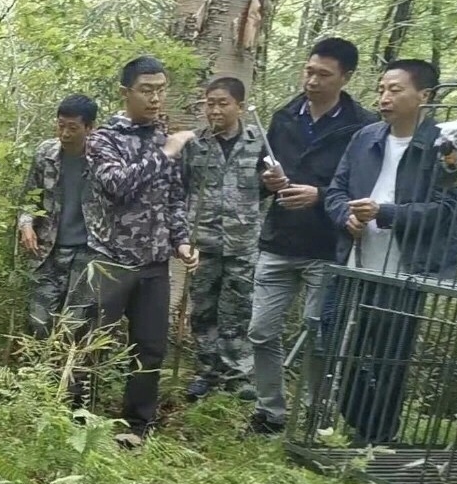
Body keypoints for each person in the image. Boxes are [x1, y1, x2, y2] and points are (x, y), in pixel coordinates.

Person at [321, 59, 457, 445]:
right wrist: (345, 217)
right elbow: (336, 191)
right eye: (382, 89)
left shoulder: (449, 146)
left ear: (425, 96)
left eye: (395, 90)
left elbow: (450, 211)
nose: (384, 97)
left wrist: (386, 213)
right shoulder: (365, 137)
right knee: (331, 339)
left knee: (388, 357)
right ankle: (362, 422)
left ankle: (377, 437)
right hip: (353, 262)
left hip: (404, 269)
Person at [245, 38, 379, 436]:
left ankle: (312, 417)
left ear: (346, 77)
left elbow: (365, 187)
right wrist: (268, 180)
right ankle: (270, 412)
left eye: (323, 74)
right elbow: (261, 173)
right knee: (260, 331)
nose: (312, 80)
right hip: (279, 240)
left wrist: (319, 196)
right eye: (309, 71)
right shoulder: (285, 115)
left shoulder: (364, 126)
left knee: (320, 335)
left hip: (330, 245)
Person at [70, 55, 198, 445]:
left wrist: (182, 240)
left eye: (161, 90)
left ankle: (137, 425)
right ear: (126, 93)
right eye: (146, 90)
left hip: (155, 263)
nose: (155, 98)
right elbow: (117, 185)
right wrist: (166, 153)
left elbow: (175, 198)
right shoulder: (104, 138)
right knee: (90, 342)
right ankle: (78, 421)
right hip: (110, 259)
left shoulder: (166, 136)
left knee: (150, 346)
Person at [180, 77, 267, 401]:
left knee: (238, 310)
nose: (215, 109)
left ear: (239, 106)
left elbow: (269, 188)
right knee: (203, 311)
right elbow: (182, 188)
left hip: (242, 241)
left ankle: (237, 375)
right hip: (203, 241)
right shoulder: (195, 143)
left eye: (223, 103)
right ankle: (206, 372)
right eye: (210, 103)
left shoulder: (259, 141)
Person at [17, 94, 100, 340]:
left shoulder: (103, 159)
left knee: (75, 327)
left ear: (89, 127)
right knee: (39, 322)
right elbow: (28, 199)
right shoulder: (45, 154)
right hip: (48, 252)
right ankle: (40, 374)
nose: (64, 133)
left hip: (87, 255)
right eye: (60, 125)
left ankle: (70, 377)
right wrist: (26, 224)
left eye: (72, 128)